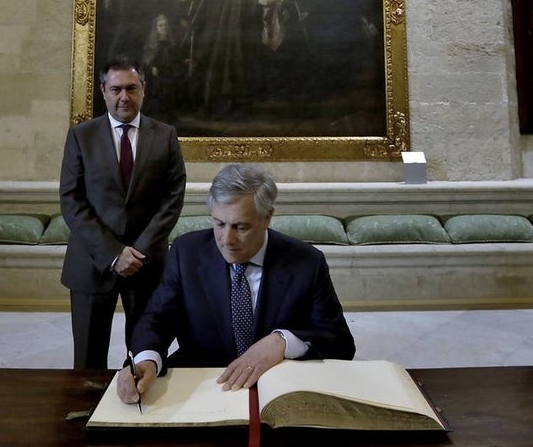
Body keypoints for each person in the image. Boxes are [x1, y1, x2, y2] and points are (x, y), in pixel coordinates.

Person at [117, 164, 355, 404]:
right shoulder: (186, 252)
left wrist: (283, 341)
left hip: (278, 389)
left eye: (241, 227)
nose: (227, 240)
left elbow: (341, 344)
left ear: (267, 218)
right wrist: (145, 359)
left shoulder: (307, 262)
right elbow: (157, 320)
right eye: (219, 224)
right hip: (201, 385)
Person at [59, 57, 187, 369]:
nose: (124, 97)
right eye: (116, 89)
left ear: (143, 89)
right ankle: (88, 413)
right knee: (88, 360)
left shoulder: (165, 135)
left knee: (146, 353)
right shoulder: (81, 136)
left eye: (131, 88)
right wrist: (114, 253)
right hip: (92, 264)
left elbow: (173, 197)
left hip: (147, 266)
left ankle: (142, 414)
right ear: (103, 91)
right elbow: (71, 200)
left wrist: (138, 252)